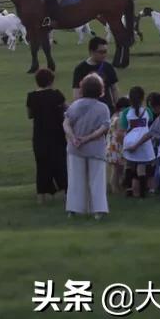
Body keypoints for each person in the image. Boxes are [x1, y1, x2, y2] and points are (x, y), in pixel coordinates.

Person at [63, 73, 111, 219]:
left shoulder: (75, 105)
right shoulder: (103, 108)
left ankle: (73, 209)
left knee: (75, 179)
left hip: (75, 148)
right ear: (100, 89)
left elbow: (66, 123)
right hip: (95, 148)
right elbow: (103, 128)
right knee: (97, 180)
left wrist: (73, 138)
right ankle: (98, 210)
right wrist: (87, 139)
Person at [26, 68, 67, 203]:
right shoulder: (57, 95)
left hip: (40, 136)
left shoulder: (31, 96)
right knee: (60, 165)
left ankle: (41, 197)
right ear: (51, 81)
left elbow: (30, 115)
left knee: (42, 166)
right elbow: (67, 109)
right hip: (57, 135)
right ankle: (65, 193)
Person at [119, 86, 156, 198]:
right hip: (143, 142)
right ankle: (142, 194)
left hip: (130, 142)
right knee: (141, 168)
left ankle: (129, 190)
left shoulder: (126, 112)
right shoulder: (147, 111)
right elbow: (149, 123)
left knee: (129, 166)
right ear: (142, 98)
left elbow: (122, 130)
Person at [71, 37, 119, 107]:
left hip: (106, 109)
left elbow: (114, 89)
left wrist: (117, 107)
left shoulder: (108, 67)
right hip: (88, 109)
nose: (104, 55)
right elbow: (77, 93)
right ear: (91, 52)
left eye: (105, 52)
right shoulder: (80, 69)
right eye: (101, 52)